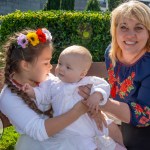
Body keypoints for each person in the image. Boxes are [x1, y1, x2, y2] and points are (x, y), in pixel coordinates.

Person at [0, 28, 90, 150]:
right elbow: (38, 130)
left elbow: (67, 93)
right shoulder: (8, 97)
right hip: (36, 144)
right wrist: (77, 111)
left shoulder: (45, 78)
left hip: (66, 135)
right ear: (25, 65)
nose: (51, 67)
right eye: (46, 63)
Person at [23, 45, 126, 150]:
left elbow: (102, 85)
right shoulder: (53, 84)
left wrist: (96, 95)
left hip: (84, 130)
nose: (61, 69)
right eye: (60, 63)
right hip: (64, 131)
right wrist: (32, 92)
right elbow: (43, 95)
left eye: (68, 67)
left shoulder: (85, 82)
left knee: (94, 143)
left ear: (82, 74)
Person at [79, 1, 150, 150]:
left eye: (139, 28)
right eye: (123, 27)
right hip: (122, 120)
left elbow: (144, 115)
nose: (130, 35)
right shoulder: (112, 53)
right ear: (115, 30)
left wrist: (100, 101)